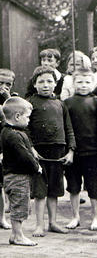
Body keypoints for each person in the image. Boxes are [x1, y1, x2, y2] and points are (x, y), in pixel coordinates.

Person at [28, 66, 76, 237]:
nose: (45, 85)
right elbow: (25, 130)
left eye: (49, 81)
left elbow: (69, 129)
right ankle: (39, 225)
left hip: (58, 152)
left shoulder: (60, 104)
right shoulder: (30, 103)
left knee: (54, 190)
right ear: (34, 84)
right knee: (40, 190)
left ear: (56, 84)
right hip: (39, 152)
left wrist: (70, 151)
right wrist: (31, 149)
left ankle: (53, 223)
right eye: (41, 82)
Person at [64, 68, 97, 231]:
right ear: (73, 83)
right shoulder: (67, 103)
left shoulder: (96, 102)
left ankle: (96, 218)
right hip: (73, 153)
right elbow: (66, 128)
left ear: (93, 82)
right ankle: (75, 217)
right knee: (73, 186)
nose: (83, 85)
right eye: (79, 82)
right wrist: (69, 150)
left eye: (87, 82)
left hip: (92, 152)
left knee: (94, 186)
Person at [1, 97, 42, 246]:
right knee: (19, 206)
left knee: (20, 205)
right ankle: (18, 236)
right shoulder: (13, 135)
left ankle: (15, 235)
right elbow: (24, 156)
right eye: (27, 117)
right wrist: (36, 166)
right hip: (17, 177)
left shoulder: (10, 131)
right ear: (17, 116)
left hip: (13, 176)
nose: (29, 120)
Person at [0, 69, 17, 230]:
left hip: (7, 145)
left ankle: (2, 218)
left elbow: (14, 120)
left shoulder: (14, 100)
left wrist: (7, 99)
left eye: (8, 84)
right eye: (0, 83)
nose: (4, 87)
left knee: (5, 182)